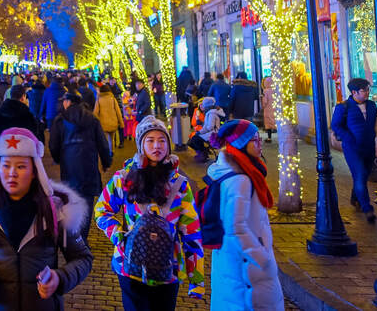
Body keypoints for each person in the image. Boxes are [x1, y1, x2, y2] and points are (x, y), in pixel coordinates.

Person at [0, 128, 93, 309]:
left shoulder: (56, 209)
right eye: (6, 165)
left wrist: (59, 278)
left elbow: (82, 258)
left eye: (21, 166)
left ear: (34, 170)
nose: (12, 173)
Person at [94, 116, 205, 310]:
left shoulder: (180, 185)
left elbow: (192, 232)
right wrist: (119, 235)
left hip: (168, 270)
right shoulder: (124, 179)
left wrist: (196, 279)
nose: (156, 146)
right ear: (141, 145)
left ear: (168, 145)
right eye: (150, 140)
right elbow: (102, 210)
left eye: (162, 140)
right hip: (130, 267)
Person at [207, 119, 285, 310]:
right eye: (254, 140)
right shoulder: (240, 179)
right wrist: (263, 260)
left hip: (234, 264)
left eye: (259, 139)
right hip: (247, 272)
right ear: (240, 144)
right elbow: (236, 229)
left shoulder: (237, 172)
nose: (260, 144)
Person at [49, 92, 112, 241]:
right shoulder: (92, 119)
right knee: (87, 204)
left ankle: (72, 237)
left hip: (69, 168)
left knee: (70, 201)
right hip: (89, 167)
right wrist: (106, 162)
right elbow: (102, 143)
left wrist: (58, 158)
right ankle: (82, 238)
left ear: (68, 102)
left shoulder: (60, 120)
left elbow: (53, 145)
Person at [331, 78, 377, 223]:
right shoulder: (343, 107)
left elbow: (376, 124)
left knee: (363, 176)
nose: (367, 93)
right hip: (352, 148)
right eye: (364, 90)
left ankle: (355, 198)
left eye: (368, 89)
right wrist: (348, 138)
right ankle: (367, 208)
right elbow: (335, 125)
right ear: (354, 92)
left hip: (369, 146)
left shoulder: (371, 105)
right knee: (361, 174)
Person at [187, 97, 224, 162]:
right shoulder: (210, 112)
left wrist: (200, 132)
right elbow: (207, 126)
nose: (203, 106)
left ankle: (203, 155)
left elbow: (210, 127)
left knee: (195, 139)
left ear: (207, 105)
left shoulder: (211, 113)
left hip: (213, 133)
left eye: (204, 105)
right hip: (211, 132)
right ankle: (203, 153)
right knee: (193, 139)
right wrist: (201, 130)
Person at [94, 83, 125, 151]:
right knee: (112, 139)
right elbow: (118, 112)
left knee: (105, 139)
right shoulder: (113, 99)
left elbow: (95, 113)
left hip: (103, 123)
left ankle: (107, 152)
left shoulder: (99, 99)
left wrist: (96, 123)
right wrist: (121, 123)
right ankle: (112, 151)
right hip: (113, 123)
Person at [261, 77, 276, 141]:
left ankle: (269, 138)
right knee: (275, 122)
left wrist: (263, 105)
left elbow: (265, 101)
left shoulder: (265, 91)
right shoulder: (275, 90)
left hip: (268, 109)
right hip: (275, 109)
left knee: (268, 123)